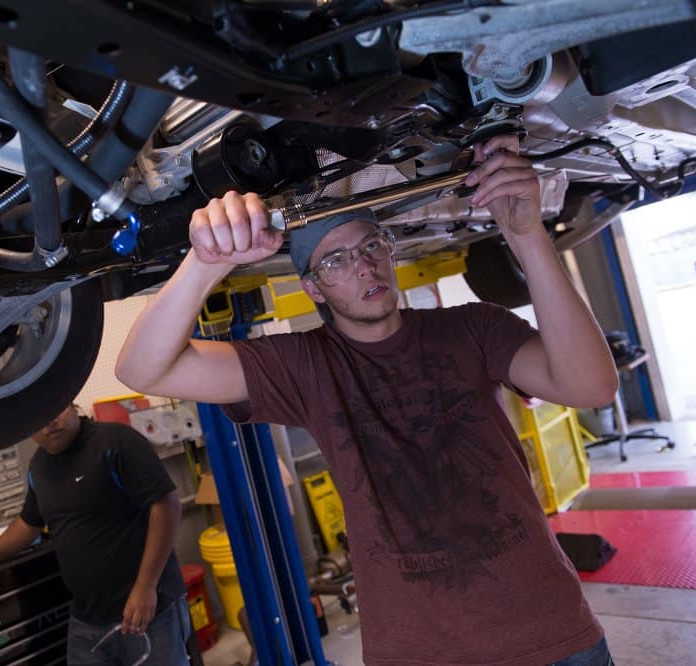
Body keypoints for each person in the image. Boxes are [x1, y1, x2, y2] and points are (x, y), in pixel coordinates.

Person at [115, 135, 620, 665]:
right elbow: (143, 369)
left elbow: (591, 387)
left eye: (371, 247)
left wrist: (526, 235)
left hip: (552, 636)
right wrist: (207, 263)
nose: (362, 268)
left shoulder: (474, 327)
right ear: (313, 289)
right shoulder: (304, 365)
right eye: (335, 261)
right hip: (419, 653)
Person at [0, 405, 190, 666]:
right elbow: (29, 524)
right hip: (88, 617)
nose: (49, 425)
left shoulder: (116, 442)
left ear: (71, 404)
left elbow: (166, 505)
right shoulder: (39, 466)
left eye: (54, 411)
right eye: (37, 420)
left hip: (145, 608)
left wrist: (146, 587)